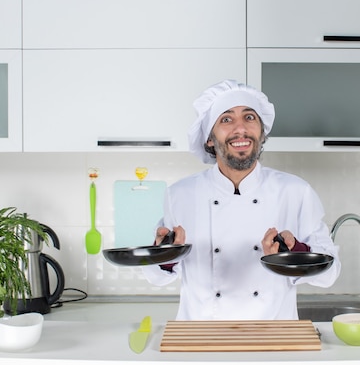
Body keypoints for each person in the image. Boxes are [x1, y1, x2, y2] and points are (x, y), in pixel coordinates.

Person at [142, 79, 340, 320]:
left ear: (261, 132)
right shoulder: (180, 194)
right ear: (209, 138)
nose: (241, 129)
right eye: (226, 119)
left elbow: (330, 274)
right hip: (203, 340)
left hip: (272, 340)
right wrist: (165, 256)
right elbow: (155, 277)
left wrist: (295, 253)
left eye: (249, 117)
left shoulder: (295, 191)